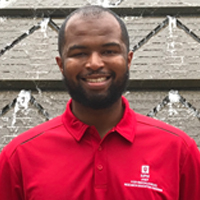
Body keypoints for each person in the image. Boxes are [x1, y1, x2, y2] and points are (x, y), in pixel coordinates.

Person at [0, 5, 200, 200]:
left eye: (109, 51)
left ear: (128, 60)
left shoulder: (179, 151)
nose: (95, 63)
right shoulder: (19, 157)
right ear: (61, 65)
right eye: (79, 53)